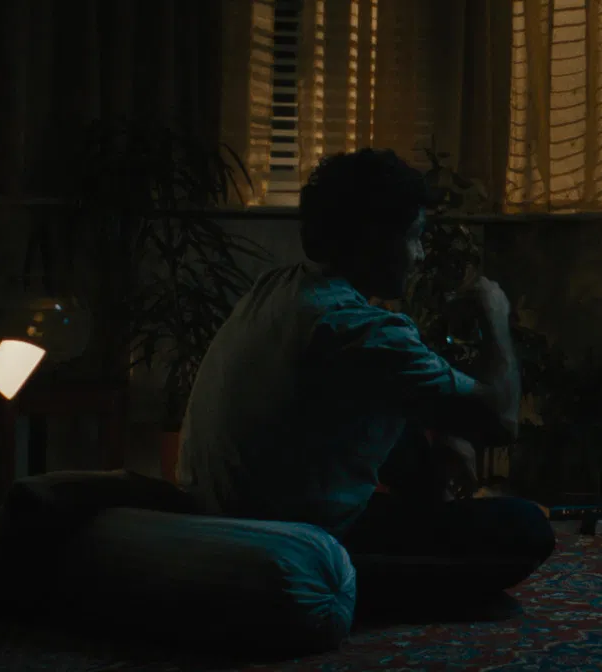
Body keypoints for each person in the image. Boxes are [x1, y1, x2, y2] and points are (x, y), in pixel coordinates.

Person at [176, 149, 554, 613]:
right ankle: (369, 587)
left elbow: (381, 403)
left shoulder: (276, 288)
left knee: (401, 426)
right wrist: (495, 317)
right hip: (297, 539)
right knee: (525, 527)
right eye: (414, 238)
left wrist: (444, 435)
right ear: (375, 239)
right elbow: (502, 420)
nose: (419, 256)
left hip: (225, 521)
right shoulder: (357, 327)